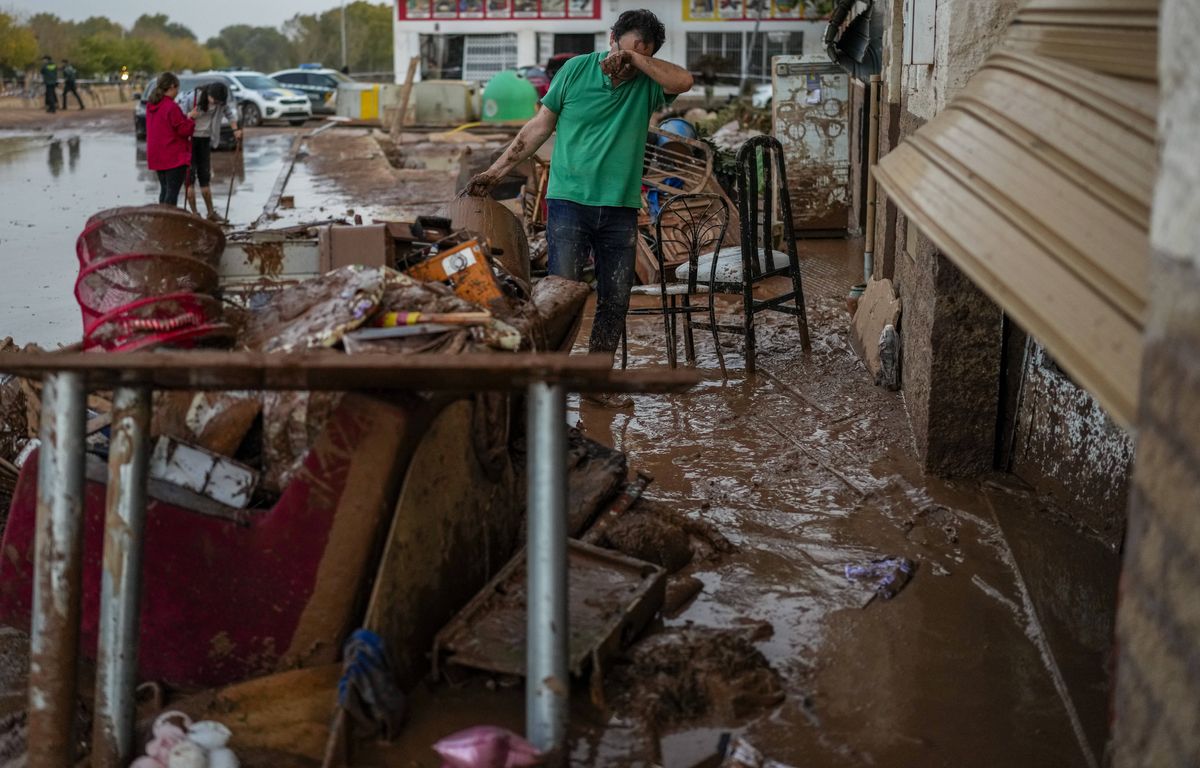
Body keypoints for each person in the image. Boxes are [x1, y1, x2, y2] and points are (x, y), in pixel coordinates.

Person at [465, 9, 692, 366]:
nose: (627, 62)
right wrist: (494, 172)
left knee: (615, 298)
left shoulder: (648, 82)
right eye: (625, 48)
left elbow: (684, 81)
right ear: (611, 39)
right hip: (569, 203)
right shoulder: (575, 70)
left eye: (640, 56)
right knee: (561, 296)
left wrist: (635, 58)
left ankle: (596, 377)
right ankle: (552, 378)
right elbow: (538, 127)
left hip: (620, 207)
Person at [177, 81, 242, 221]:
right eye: (215, 100)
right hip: (189, 140)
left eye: (220, 102)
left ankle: (211, 213)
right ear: (209, 94)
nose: (217, 104)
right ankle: (194, 214)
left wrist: (235, 129)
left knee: (205, 177)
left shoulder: (220, 102)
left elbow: (230, 114)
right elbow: (179, 117)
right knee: (190, 178)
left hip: (205, 140)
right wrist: (189, 115)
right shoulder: (192, 98)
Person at [145, 72, 198, 206]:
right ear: (172, 87)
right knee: (172, 192)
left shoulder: (151, 106)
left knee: (164, 189)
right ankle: (168, 221)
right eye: (177, 88)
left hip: (157, 155)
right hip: (172, 156)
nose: (178, 92)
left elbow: (168, 125)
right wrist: (191, 119)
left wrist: (185, 117)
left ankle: (162, 219)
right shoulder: (171, 107)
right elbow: (184, 130)